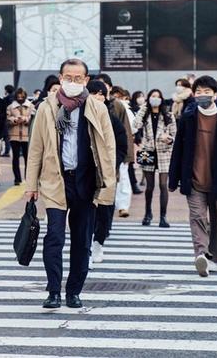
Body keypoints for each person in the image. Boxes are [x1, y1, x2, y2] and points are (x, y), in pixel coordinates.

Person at [26, 58, 116, 309]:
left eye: (78, 78)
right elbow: (36, 149)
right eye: (68, 77)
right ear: (60, 78)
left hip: (86, 182)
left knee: (81, 239)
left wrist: (109, 185)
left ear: (86, 80)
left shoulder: (97, 108)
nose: (73, 82)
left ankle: (73, 291)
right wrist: (31, 185)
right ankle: (54, 291)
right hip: (56, 180)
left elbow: (108, 148)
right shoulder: (47, 107)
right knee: (54, 236)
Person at [169, 75, 217, 277]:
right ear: (194, 94)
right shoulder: (188, 118)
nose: (202, 95)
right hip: (193, 180)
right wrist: (173, 179)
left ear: (215, 93)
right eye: (199, 92)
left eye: (207, 92)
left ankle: (214, 256)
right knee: (197, 217)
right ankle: (201, 254)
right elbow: (179, 149)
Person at [86, 81, 128, 265]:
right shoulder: (79, 117)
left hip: (107, 173)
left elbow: (122, 146)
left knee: (104, 210)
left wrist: (112, 164)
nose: (97, 97)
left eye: (101, 94)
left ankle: (98, 243)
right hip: (85, 173)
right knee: (86, 212)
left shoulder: (113, 120)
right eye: (93, 93)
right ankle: (85, 247)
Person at [134, 88, 176, 228]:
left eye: (158, 96)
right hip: (147, 151)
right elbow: (135, 126)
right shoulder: (144, 113)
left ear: (162, 99)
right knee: (149, 187)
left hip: (164, 152)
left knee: (163, 185)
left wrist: (168, 139)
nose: (155, 99)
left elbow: (174, 135)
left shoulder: (168, 114)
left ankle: (163, 217)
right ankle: (148, 214)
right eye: (153, 96)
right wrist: (143, 108)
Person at [6, 88, 33, 186]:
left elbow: (33, 118)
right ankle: (17, 179)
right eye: (18, 96)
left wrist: (26, 119)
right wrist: (15, 120)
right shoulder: (10, 107)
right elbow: (7, 119)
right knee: (15, 158)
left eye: (22, 96)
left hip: (27, 136)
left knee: (28, 159)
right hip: (14, 136)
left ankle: (28, 178)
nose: (20, 98)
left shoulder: (30, 106)